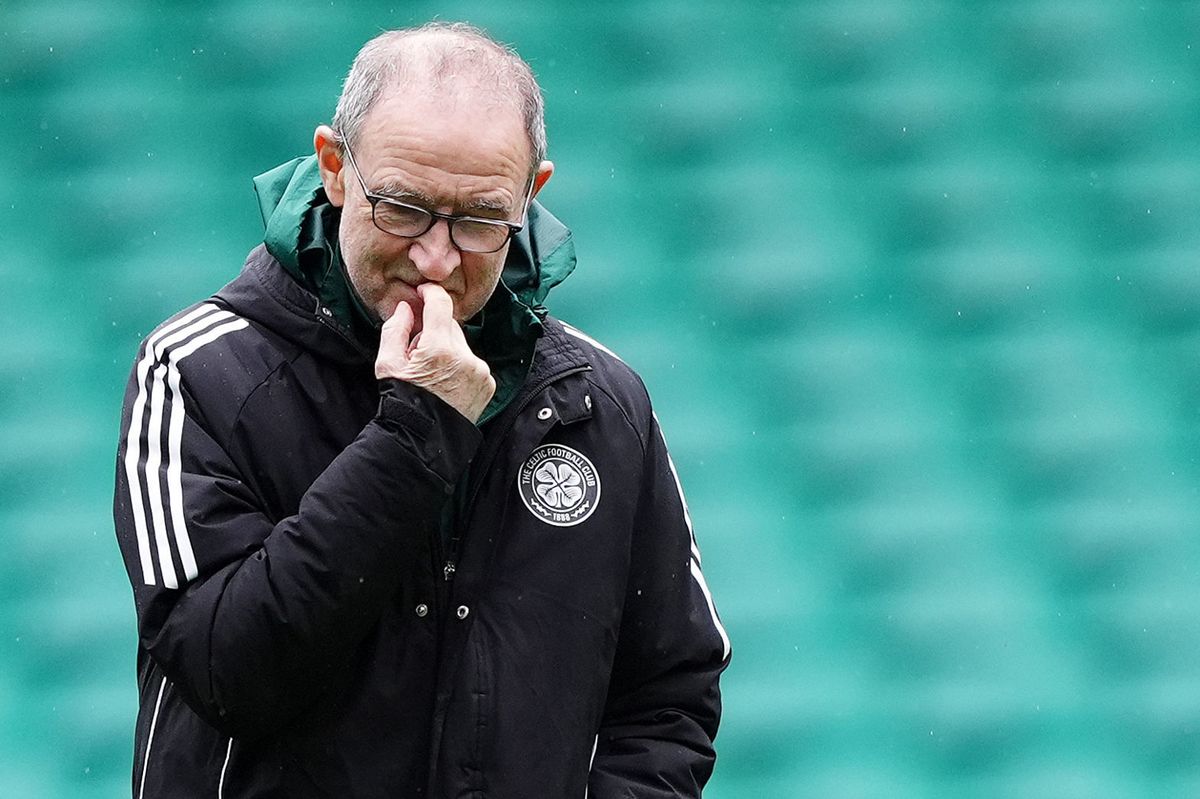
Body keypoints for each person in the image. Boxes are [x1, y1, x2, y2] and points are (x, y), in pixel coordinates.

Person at [113, 21, 730, 799]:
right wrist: (418, 429)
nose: (436, 256)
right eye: (403, 207)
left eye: (478, 220)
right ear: (336, 167)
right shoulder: (198, 368)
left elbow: (668, 696)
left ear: (531, 192)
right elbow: (226, 669)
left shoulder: (600, 403)